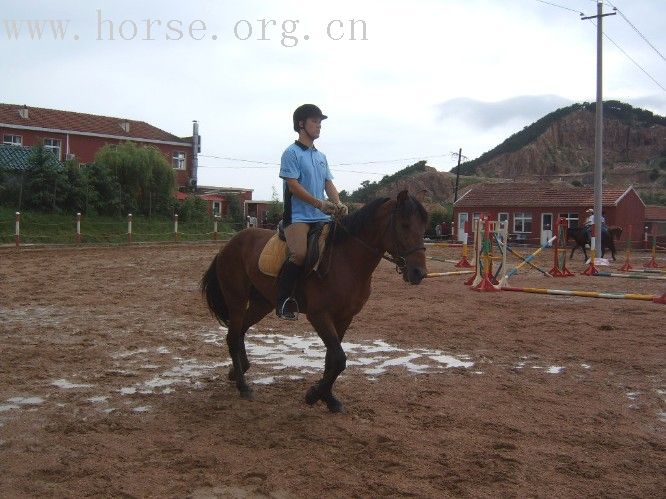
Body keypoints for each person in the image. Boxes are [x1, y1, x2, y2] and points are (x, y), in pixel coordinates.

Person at [276, 104, 348, 320]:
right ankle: (283, 301)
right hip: (297, 217)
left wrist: (338, 202)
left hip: (321, 215)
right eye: (315, 121)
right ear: (301, 124)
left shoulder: (321, 156)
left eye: (320, 122)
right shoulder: (291, 153)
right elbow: (293, 187)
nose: (319, 126)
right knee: (300, 254)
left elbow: (328, 184)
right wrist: (319, 203)